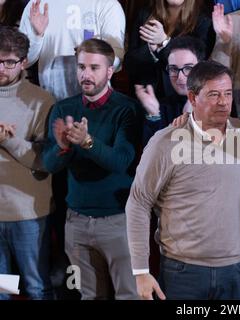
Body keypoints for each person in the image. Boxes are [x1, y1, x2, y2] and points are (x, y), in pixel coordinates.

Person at [126, 60, 240, 300]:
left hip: (237, 269)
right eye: (214, 95)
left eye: (227, 93)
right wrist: (141, 270)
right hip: (183, 271)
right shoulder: (165, 142)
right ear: (193, 98)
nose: (224, 102)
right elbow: (138, 203)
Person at [42, 38, 139, 300]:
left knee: (128, 295)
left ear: (110, 71)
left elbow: (120, 161)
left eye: (94, 67)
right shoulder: (63, 108)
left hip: (118, 222)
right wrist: (62, 146)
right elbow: (49, 165)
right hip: (76, 223)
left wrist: (86, 142)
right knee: (88, 296)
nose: (86, 74)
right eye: (81, 67)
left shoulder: (127, 109)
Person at [0, 26, 54, 300]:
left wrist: (7, 140)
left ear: (23, 63)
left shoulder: (40, 101)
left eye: (9, 62)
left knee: (35, 286)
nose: (2, 68)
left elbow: (46, 161)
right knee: (3, 288)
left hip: (27, 215)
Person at [19, 0, 125, 101]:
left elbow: (115, 60)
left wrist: (91, 56)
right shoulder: (37, 4)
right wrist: (37, 36)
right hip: (50, 99)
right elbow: (25, 61)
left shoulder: (108, 5)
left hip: (94, 100)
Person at [124, 0, 214, 100]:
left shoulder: (203, 19)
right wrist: (151, 51)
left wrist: (164, 42)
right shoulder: (145, 13)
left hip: (180, 101)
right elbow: (129, 63)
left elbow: (198, 64)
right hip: (143, 97)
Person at [136, 36, 205, 145]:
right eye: (173, 69)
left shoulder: (218, 103)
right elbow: (152, 156)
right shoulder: (161, 107)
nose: (180, 77)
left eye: (188, 68)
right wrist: (154, 116)